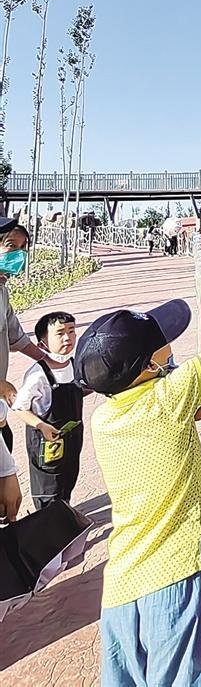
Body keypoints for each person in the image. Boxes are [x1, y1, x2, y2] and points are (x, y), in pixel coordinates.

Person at [74, 253, 201, 687]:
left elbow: (153, 429)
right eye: (162, 341)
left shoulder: (104, 419)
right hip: (173, 574)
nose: (170, 342)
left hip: (123, 583)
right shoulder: (170, 397)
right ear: (148, 366)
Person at [13, 311, 84, 509]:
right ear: (42, 343)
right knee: (48, 484)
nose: (67, 337)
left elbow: (78, 390)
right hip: (46, 442)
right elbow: (19, 407)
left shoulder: (75, 365)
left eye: (71, 331)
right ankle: (48, 523)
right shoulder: (38, 374)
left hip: (71, 436)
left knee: (68, 475)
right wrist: (40, 425)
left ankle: (65, 511)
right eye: (60, 333)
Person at [0, 218, 42, 522]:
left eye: (22, 248)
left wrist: (47, 358)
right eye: (10, 247)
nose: (18, 254)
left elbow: (15, 337)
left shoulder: (2, 291)